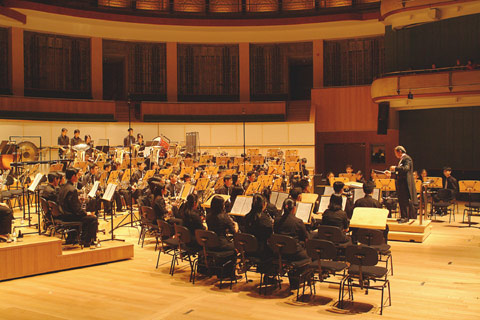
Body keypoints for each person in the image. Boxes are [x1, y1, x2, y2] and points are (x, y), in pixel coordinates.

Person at [274, 198, 310, 290]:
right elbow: (306, 238)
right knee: (309, 255)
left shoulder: (277, 220)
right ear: (294, 208)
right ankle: (303, 279)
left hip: (280, 251)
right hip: (295, 253)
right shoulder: (298, 221)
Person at [57, 168, 98, 246]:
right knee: (92, 219)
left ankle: (72, 238)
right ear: (73, 176)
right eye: (77, 175)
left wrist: (77, 199)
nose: (78, 177)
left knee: (88, 216)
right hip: (70, 216)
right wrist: (86, 213)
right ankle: (86, 241)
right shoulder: (72, 190)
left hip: (64, 214)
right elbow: (77, 210)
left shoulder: (63, 187)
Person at [390, 146, 417, 223]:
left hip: (404, 184)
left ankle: (405, 217)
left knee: (404, 200)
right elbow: (400, 171)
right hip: (401, 183)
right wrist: (391, 173)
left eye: (396, 152)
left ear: (399, 151)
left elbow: (406, 168)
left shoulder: (407, 158)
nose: (395, 154)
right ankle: (403, 216)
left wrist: (395, 168)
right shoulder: (402, 159)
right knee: (401, 200)